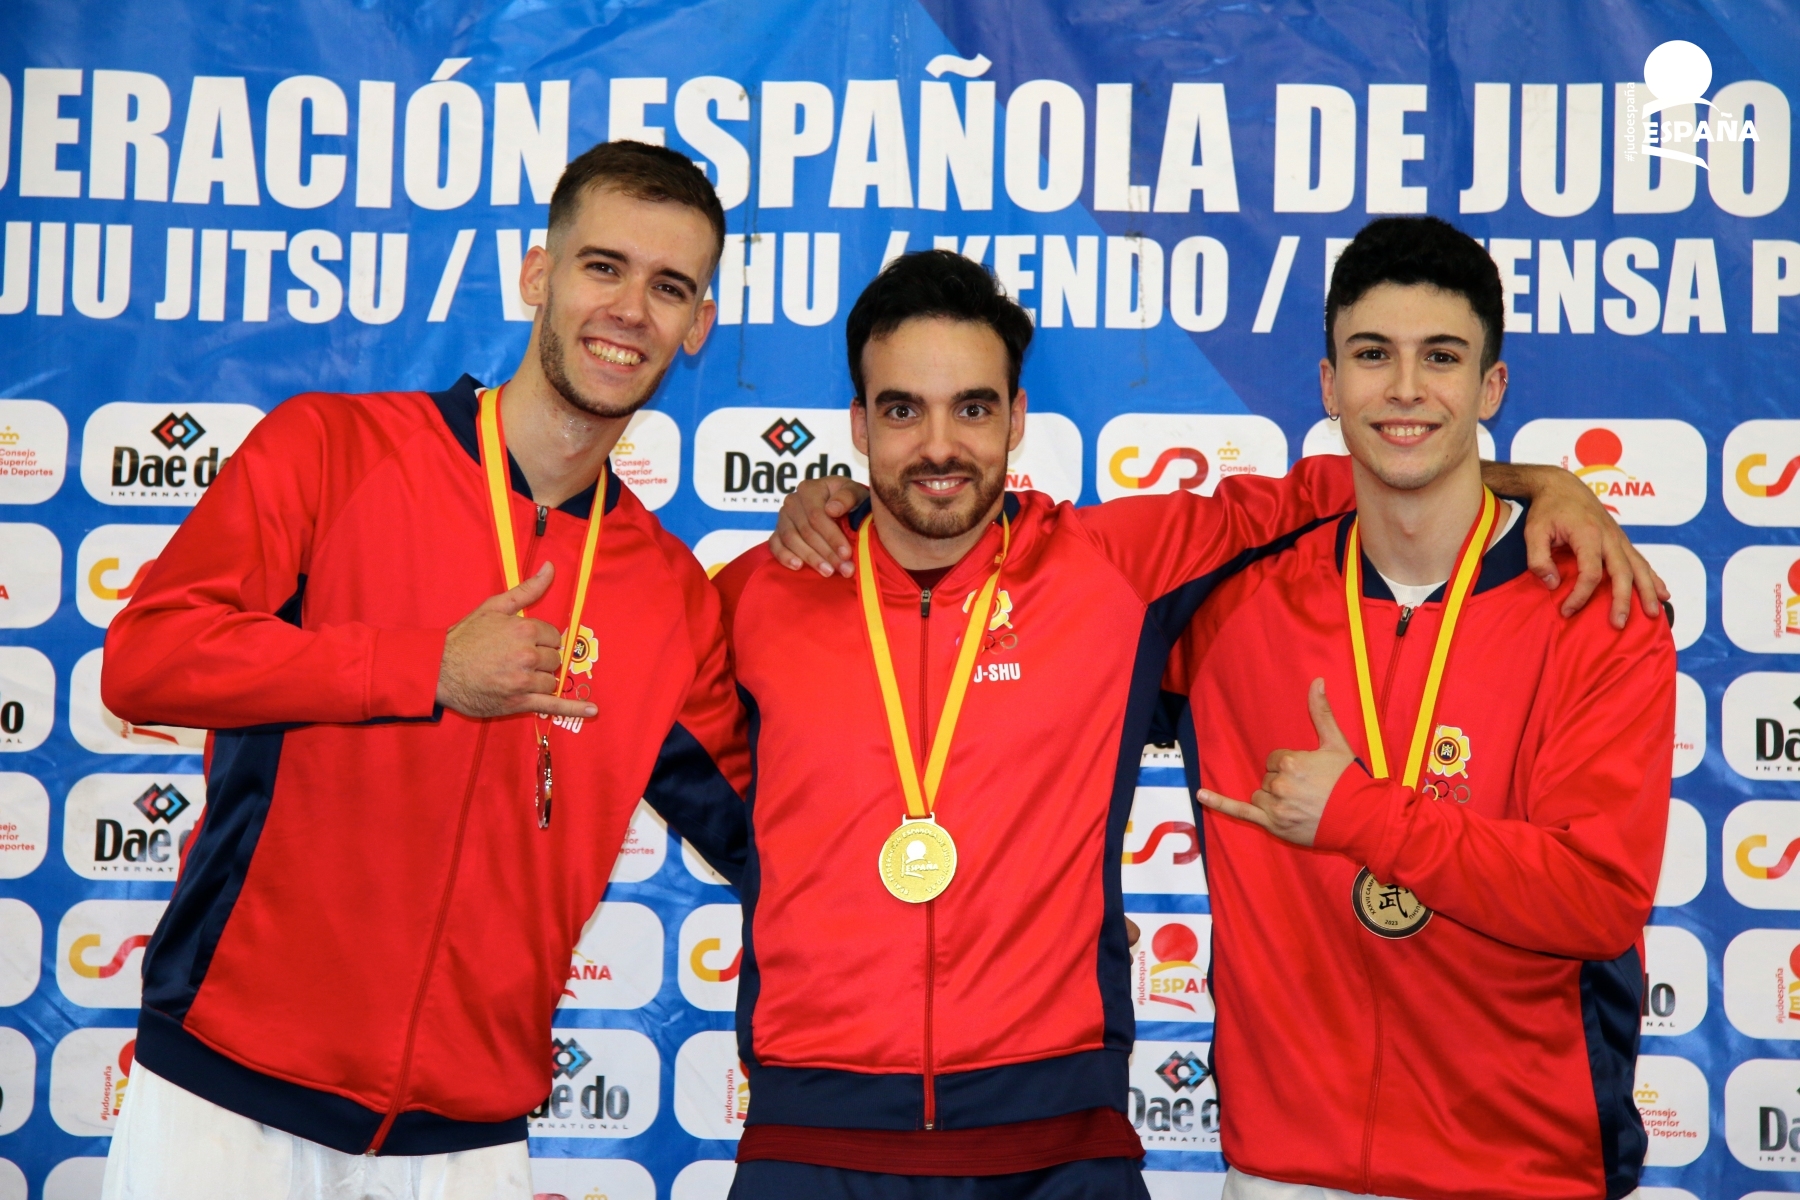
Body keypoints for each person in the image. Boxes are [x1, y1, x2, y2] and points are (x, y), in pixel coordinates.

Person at [724, 249, 1658, 1199]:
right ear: (857, 424)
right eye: (900, 411)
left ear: (1015, 417)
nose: (937, 446)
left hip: (1061, 1144)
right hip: (813, 1135)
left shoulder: (1113, 574)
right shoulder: (763, 591)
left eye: (971, 408)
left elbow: (1386, 469)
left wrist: (1544, 482)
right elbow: (712, 784)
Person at [98, 141, 748, 1200]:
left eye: (669, 288)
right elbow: (147, 661)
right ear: (538, 275)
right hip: (225, 1100)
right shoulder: (334, 450)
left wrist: (856, 558)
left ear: (698, 326)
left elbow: (777, 836)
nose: (631, 310)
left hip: (464, 1142)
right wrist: (423, 668)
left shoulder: (670, 596)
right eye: (604, 267)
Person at [1163, 216, 1676, 1200]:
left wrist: (1363, 817)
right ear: (1329, 385)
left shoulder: (1596, 608)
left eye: (1441, 357)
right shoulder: (1230, 600)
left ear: (1492, 386)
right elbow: (1005, 578)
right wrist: (852, 501)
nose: (1404, 388)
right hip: (1285, 1175)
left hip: (1520, 1174)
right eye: (1372, 355)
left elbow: (1597, 897)